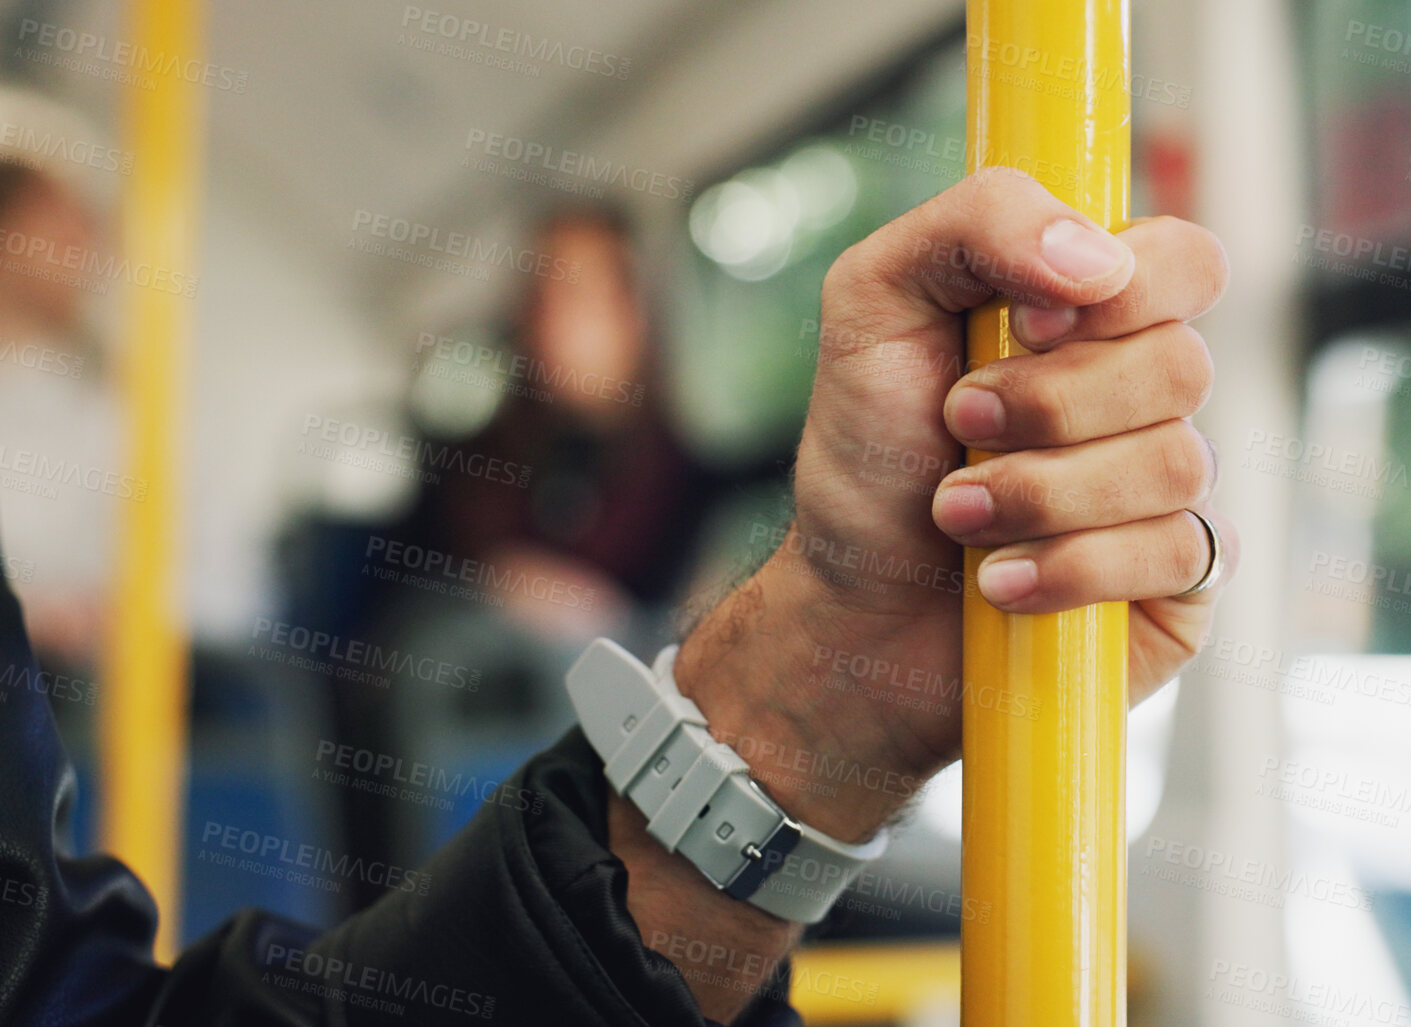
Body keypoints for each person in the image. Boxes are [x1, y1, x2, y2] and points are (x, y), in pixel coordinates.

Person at [0, 168, 1236, 1026]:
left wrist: (809, 670)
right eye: (551, 291)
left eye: (594, 292)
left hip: (638, 718)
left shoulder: (680, 466)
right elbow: (378, 605)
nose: (568, 321)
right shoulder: (464, 458)